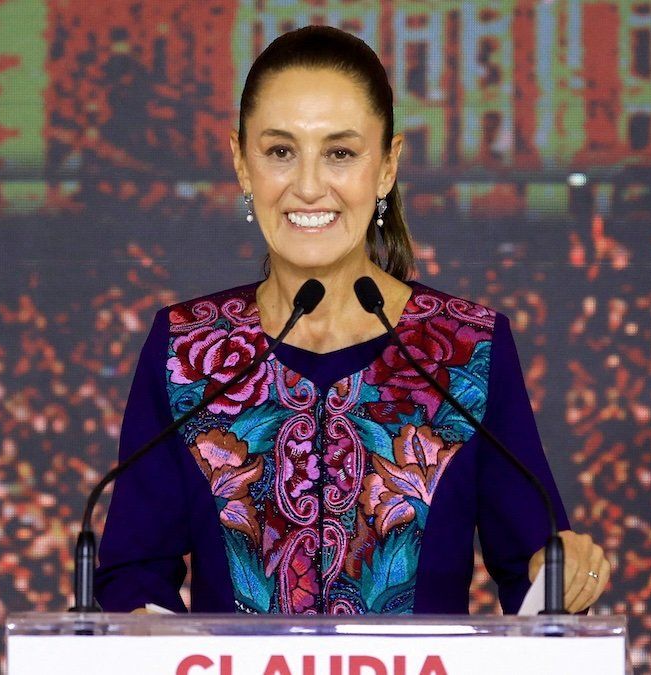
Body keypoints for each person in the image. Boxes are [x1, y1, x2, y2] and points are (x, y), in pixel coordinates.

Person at [94, 25, 610, 615]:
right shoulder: (186, 348)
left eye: (340, 153)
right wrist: (139, 620)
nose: (309, 186)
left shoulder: (468, 348)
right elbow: (132, 576)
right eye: (280, 151)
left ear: (387, 166)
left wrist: (564, 572)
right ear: (241, 162)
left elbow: (535, 574)